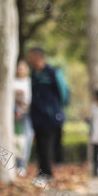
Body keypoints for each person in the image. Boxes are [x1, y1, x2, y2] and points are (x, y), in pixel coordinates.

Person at [27, 47, 65, 186]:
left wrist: (56, 111)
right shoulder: (33, 74)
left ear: (38, 57)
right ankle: (42, 172)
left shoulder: (52, 72)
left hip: (50, 117)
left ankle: (46, 174)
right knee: (39, 146)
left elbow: (64, 93)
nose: (28, 59)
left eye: (30, 56)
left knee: (46, 146)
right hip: (37, 117)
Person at [13, 59, 32, 176]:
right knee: (15, 139)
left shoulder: (29, 82)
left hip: (27, 114)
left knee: (27, 138)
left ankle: (23, 164)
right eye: (19, 68)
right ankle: (15, 163)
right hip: (15, 115)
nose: (20, 70)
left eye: (23, 68)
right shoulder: (12, 82)